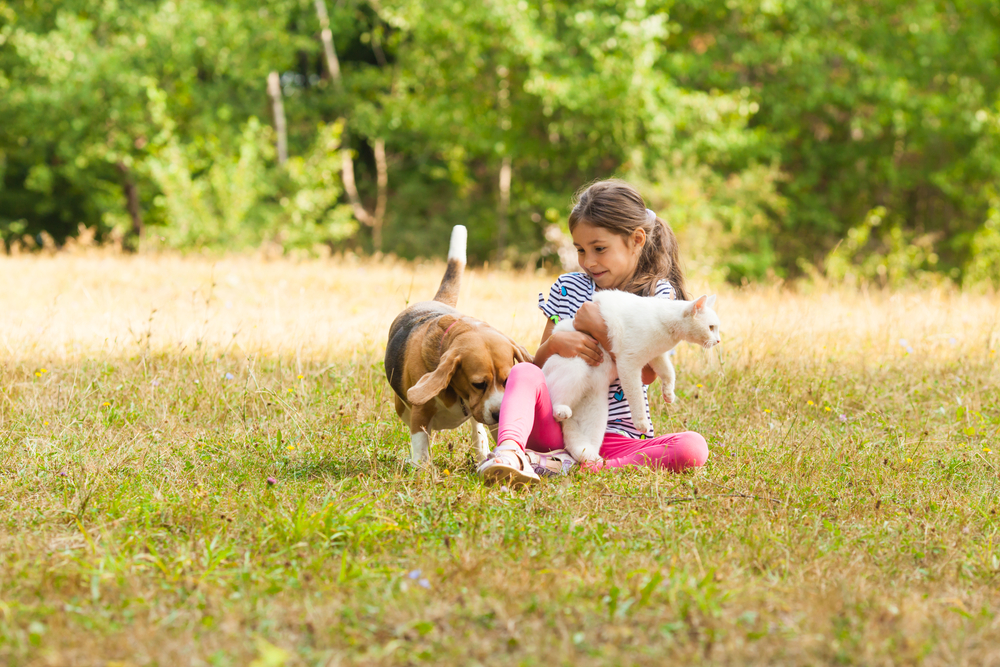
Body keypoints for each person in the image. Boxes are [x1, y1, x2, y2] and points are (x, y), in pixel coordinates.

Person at [477, 179, 710, 485]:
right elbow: (538, 370)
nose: (588, 261)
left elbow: (648, 375)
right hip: (553, 425)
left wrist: (599, 330)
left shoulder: (658, 297)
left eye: (599, 249)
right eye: (580, 250)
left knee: (692, 448)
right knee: (522, 372)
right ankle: (509, 452)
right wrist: (554, 344)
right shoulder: (568, 287)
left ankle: (570, 466)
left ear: (637, 240)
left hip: (614, 436)